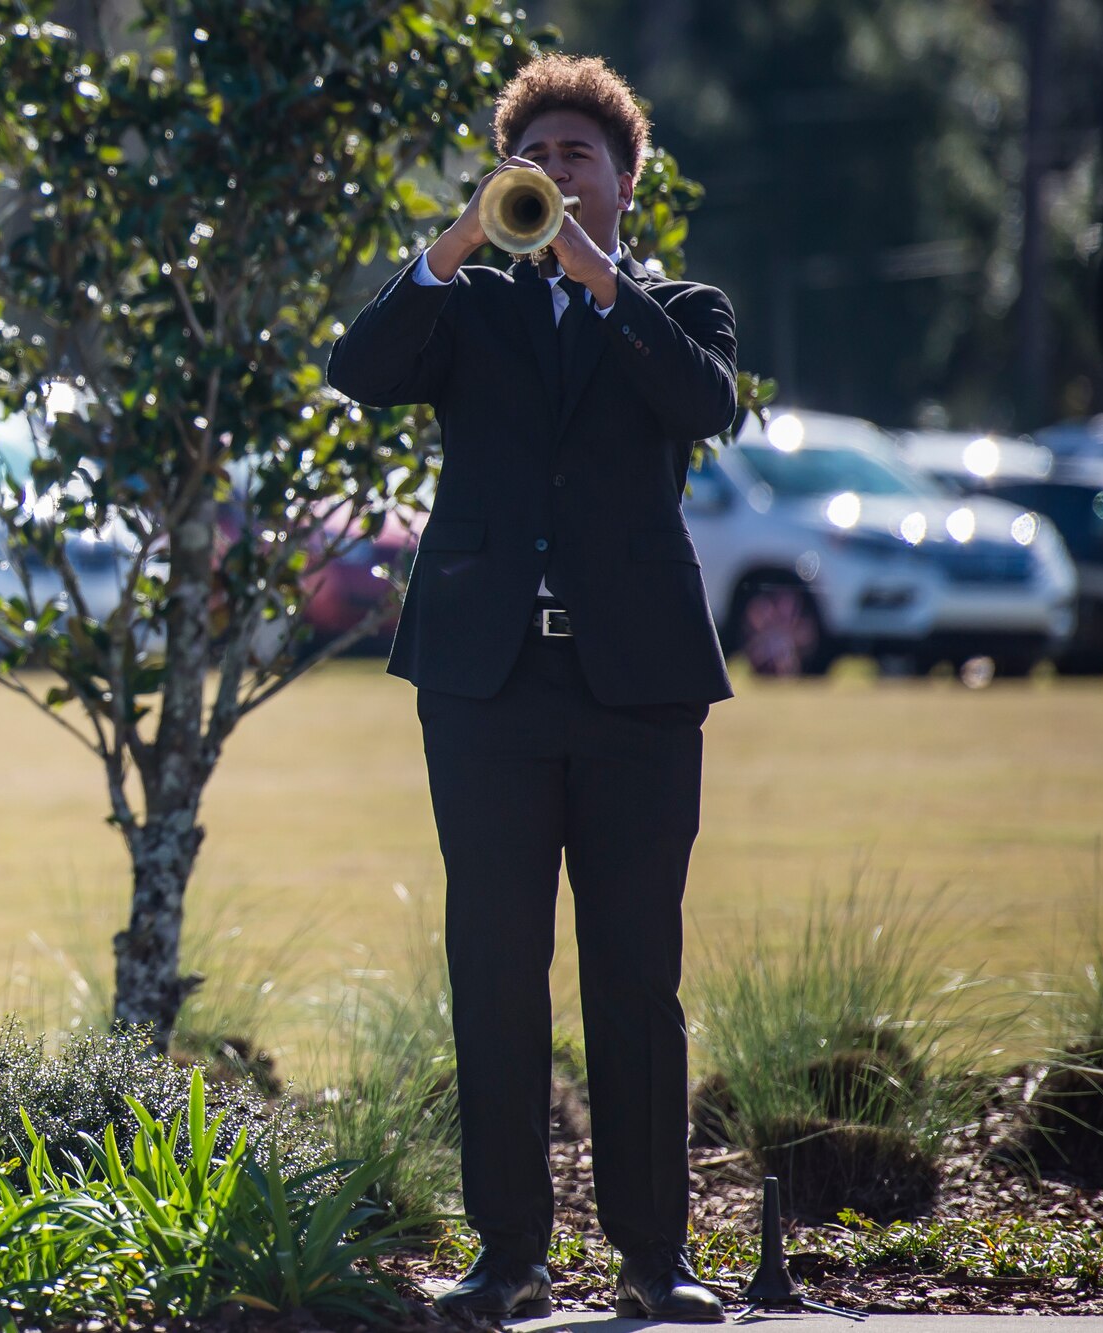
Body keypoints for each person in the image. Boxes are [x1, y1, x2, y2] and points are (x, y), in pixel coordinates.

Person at [325, 53, 737, 1323]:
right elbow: (361, 364)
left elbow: (701, 404)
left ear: (626, 178)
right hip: (484, 685)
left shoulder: (682, 307)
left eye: (576, 157)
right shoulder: (470, 304)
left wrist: (601, 285)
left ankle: (651, 1259)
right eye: (533, 158)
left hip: (636, 693)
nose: (554, 175)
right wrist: (455, 240)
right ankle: (506, 1259)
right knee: (493, 969)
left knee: (633, 976)